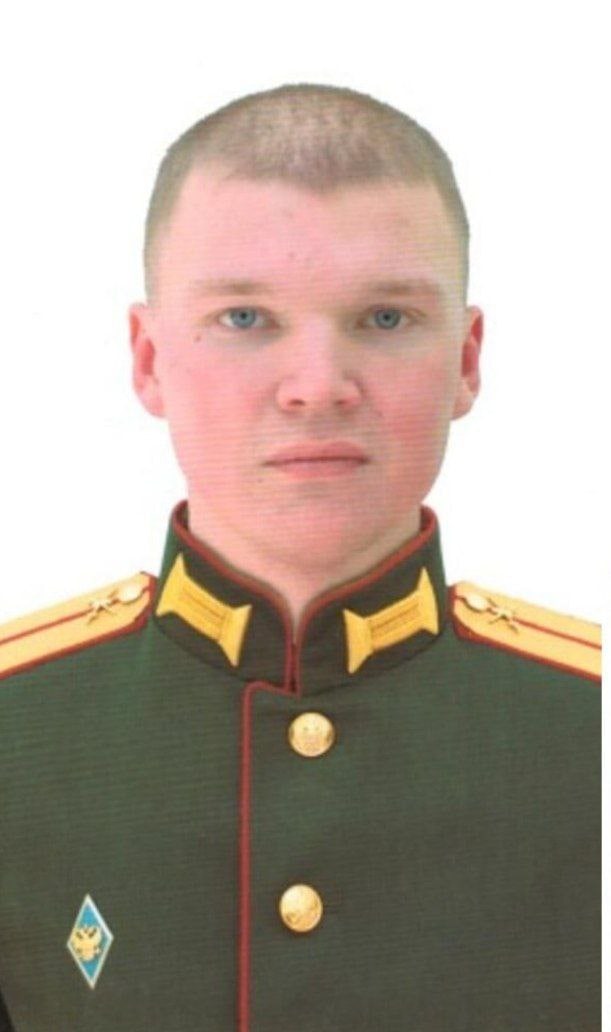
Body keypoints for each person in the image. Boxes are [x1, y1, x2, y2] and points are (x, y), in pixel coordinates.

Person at [0, 84, 600, 1032]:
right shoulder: (17, 732)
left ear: (466, 359)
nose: (317, 388)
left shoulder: (585, 732)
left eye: (384, 318)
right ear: (149, 360)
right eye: (245, 318)